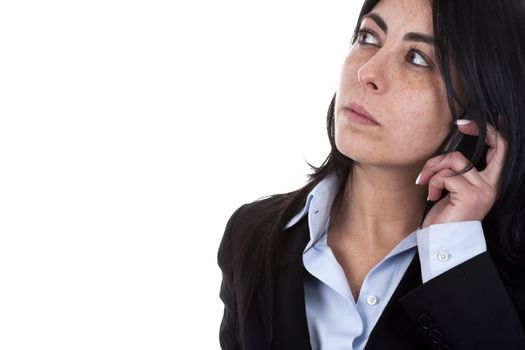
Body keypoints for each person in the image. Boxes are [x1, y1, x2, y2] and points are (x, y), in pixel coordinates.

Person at [217, 0, 525, 348]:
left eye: (417, 58)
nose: (368, 72)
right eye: (369, 37)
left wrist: (452, 249)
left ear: (479, 110)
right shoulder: (252, 237)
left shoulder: (499, 276)